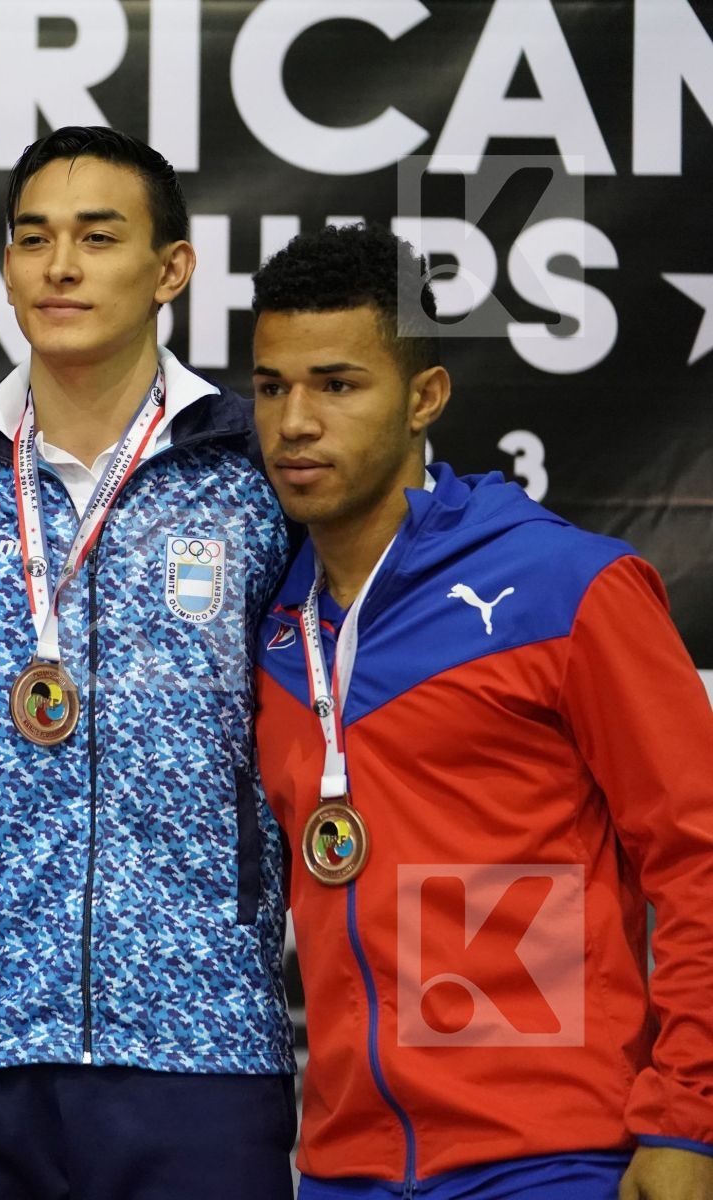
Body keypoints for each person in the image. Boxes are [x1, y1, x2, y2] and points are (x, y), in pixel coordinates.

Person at [0, 126, 297, 1199]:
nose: (60, 267)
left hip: (204, 1035)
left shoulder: (255, 471)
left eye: (98, 238)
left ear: (171, 269)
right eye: (33, 239)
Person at [249, 222, 713, 1200]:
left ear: (425, 398)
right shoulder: (271, 625)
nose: (294, 421)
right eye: (271, 385)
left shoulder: (566, 587)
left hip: (551, 1160)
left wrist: (691, 1119)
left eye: (337, 384)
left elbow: (698, 853)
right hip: (343, 1169)